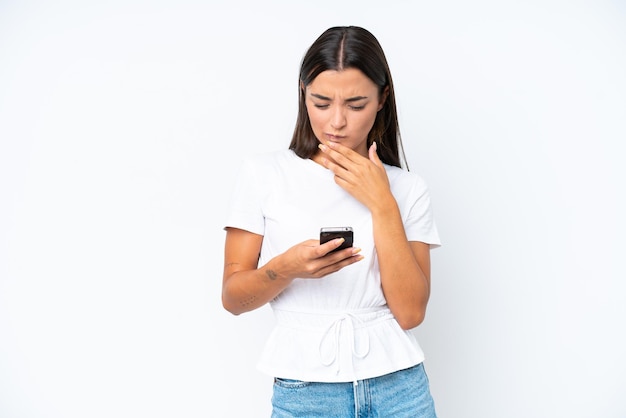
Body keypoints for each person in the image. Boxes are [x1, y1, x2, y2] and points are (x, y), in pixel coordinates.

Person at [222, 26, 441, 417]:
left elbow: (410, 313)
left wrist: (383, 204)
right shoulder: (264, 175)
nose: (336, 122)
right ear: (303, 92)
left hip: (399, 390)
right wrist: (283, 269)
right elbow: (234, 299)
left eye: (356, 105)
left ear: (381, 100)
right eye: (321, 102)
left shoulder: (407, 189)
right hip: (306, 394)